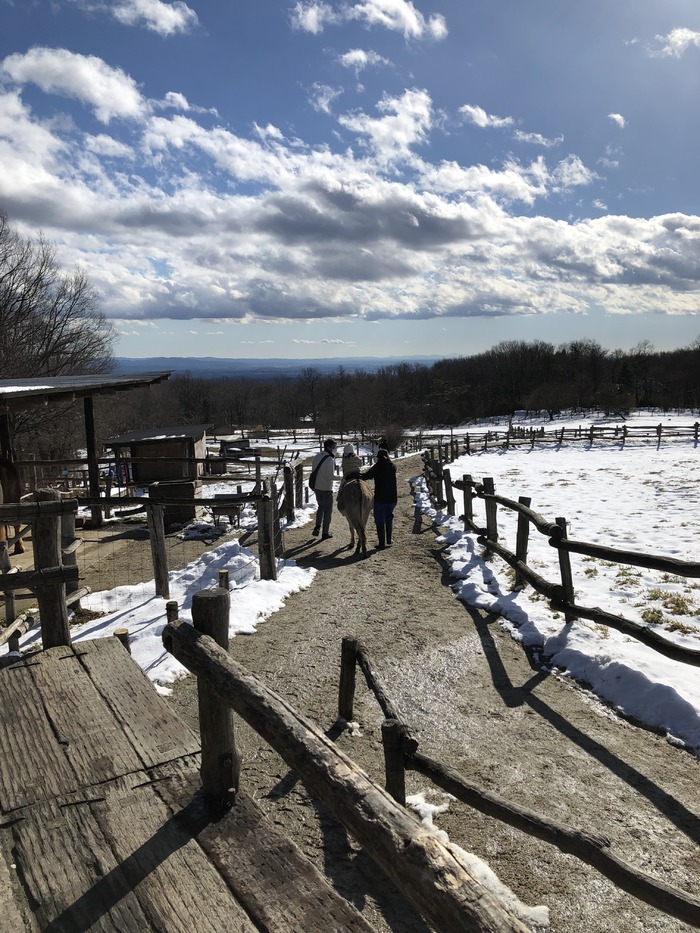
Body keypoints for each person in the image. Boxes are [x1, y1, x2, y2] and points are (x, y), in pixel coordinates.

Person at [361, 447, 397, 550]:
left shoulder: (378, 466)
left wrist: (358, 476)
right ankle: (389, 539)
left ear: (378, 457)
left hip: (381, 498)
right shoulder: (393, 466)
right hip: (392, 497)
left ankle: (382, 543)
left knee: (380, 519)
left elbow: (367, 475)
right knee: (389, 516)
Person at [310, 438, 337, 539]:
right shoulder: (330, 460)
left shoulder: (317, 456)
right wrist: (342, 477)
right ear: (329, 447)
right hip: (326, 488)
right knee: (328, 511)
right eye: (334, 447)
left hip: (317, 487)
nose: (335, 449)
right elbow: (330, 476)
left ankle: (317, 526)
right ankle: (325, 533)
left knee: (320, 507)